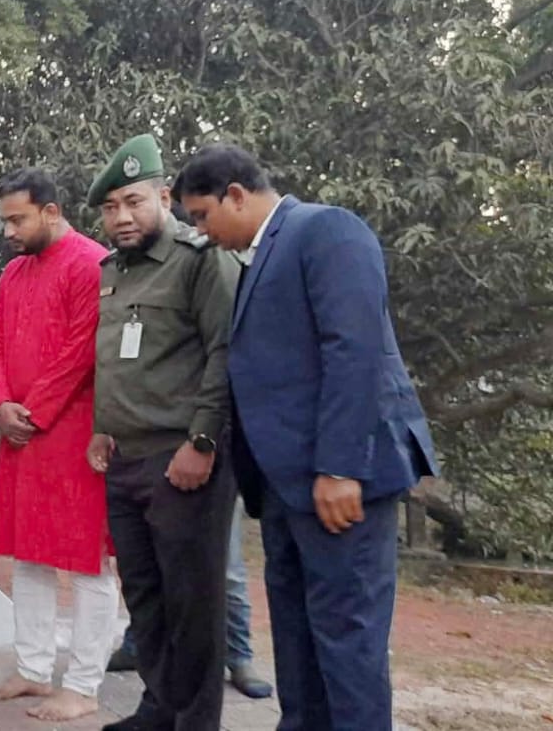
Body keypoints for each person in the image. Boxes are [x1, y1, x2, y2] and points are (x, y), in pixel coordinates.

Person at [174, 144, 438, 731]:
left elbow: (354, 351)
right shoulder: (260, 253)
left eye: (201, 215)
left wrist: (341, 468)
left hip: (340, 481)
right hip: (287, 490)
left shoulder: (326, 231)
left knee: (347, 643)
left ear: (236, 194)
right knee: (297, 638)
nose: (201, 231)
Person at [84, 134, 239, 731]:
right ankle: (159, 708)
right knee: (145, 596)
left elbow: (224, 353)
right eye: (110, 207)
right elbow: (118, 359)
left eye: (133, 202)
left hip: (182, 461)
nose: (121, 217)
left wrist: (202, 443)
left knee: (192, 603)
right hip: (126, 461)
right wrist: (103, 427)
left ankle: (196, 722)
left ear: (164, 196)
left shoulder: (201, 259)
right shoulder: (112, 272)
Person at [0, 170, 117, 721]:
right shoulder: (13, 273)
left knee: (88, 562)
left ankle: (83, 684)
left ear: (53, 211)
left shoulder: (93, 263)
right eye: (5, 220)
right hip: (21, 435)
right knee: (29, 556)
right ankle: (34, 671)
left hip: (75, 435)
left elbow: (82, 351)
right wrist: (0, 405)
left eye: (19, 219)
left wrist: (28, 413)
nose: (10, 230)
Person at [108, 499, 275, 700]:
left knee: (226, 570)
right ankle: (136, 643)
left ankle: (240, 657)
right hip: (147, 473)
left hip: (213, 478)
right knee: (147, 560)